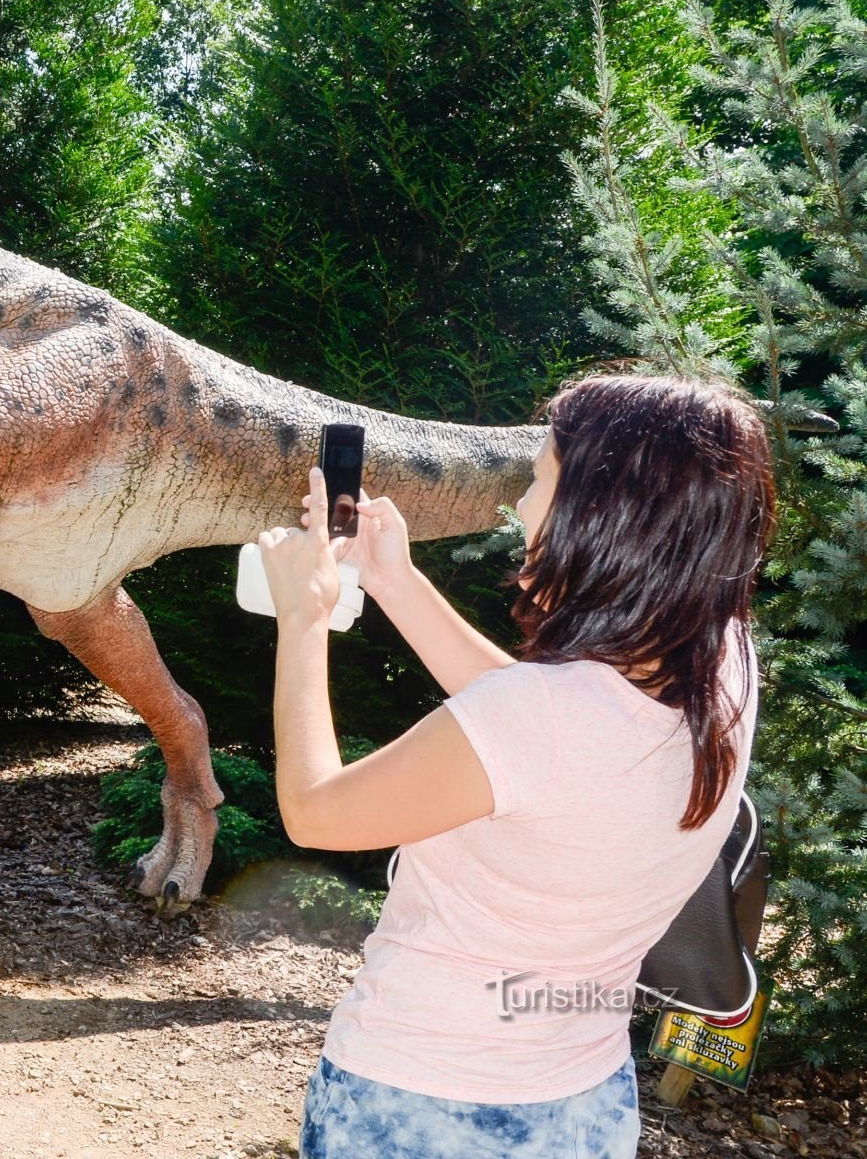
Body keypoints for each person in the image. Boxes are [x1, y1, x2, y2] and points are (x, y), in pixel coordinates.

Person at [255, 374, 773, 1158]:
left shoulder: (543, 715)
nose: (524, 508)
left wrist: (303, 619)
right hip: (584, 1104)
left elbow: (315, 807)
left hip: (419, 1104)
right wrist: (394, 580)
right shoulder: (722, 664)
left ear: (604, 514)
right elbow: (545, 741)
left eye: (540, 480)